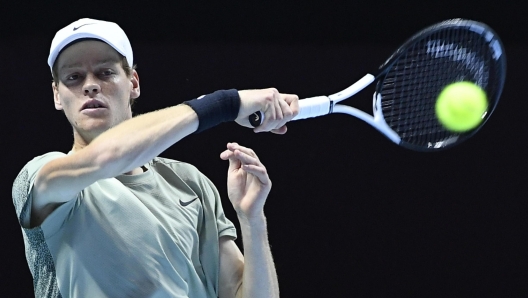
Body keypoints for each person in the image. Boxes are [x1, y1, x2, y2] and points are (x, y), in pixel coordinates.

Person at [12, 18, 299, 298]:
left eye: (105, 72)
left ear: (133, 83)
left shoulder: (190, 183)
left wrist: (252, 219)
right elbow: (107, 157)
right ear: (57, 95)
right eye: (73, 77)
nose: (90, 85)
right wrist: (225, 104)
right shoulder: (43, 176)